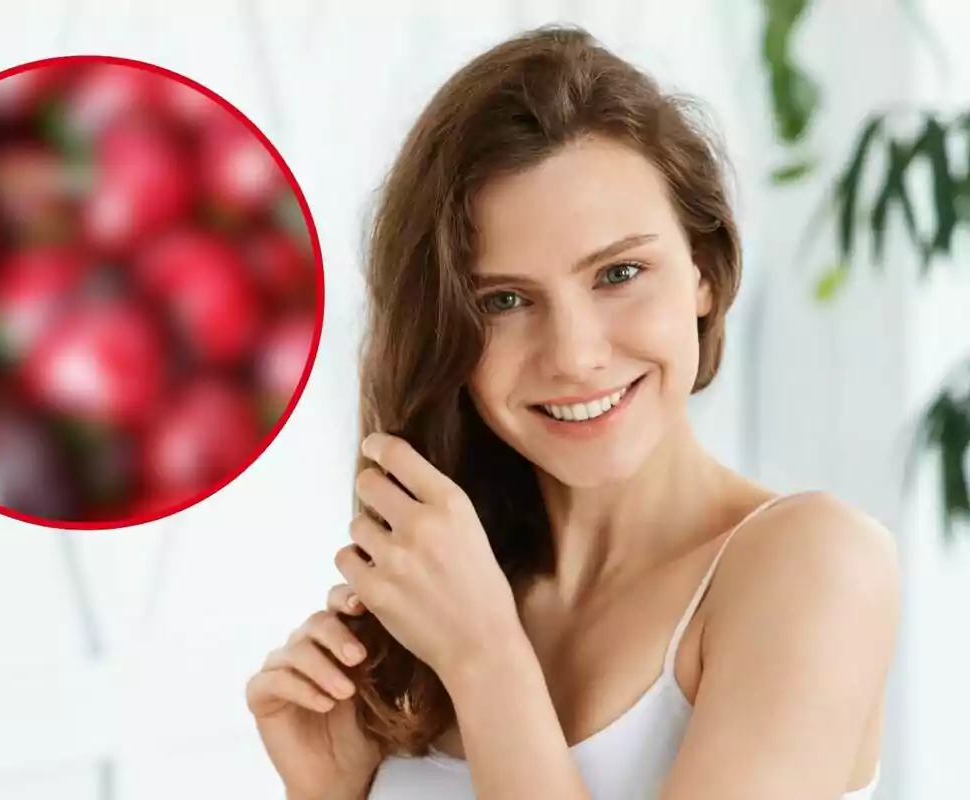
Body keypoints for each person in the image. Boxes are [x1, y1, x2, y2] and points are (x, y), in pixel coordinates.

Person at [245, 24, 899, 800]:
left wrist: (487, 659)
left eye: (619, 272)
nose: (576, 354)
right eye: (506, 300)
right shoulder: (452, 596)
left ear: (705, 273)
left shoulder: (811, 563)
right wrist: (326, 793)